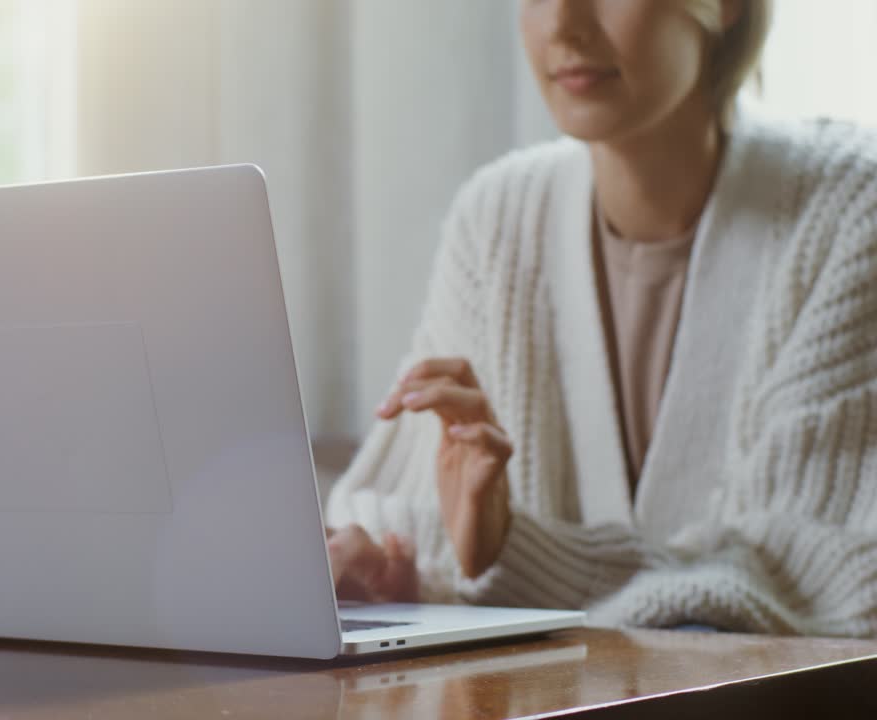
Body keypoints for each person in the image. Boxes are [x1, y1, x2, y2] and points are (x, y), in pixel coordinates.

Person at [324, 0, 877, 635]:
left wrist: (513, 552)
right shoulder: (496, 219)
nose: (563, 24)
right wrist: (404, 578)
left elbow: (803, 579)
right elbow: (410, 527)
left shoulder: (847, 215)